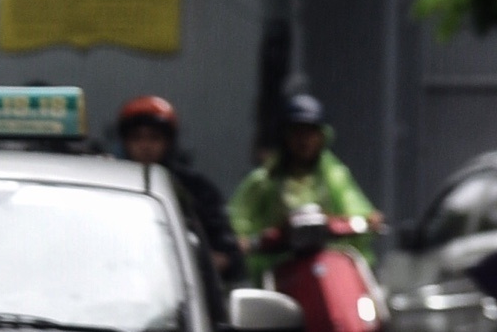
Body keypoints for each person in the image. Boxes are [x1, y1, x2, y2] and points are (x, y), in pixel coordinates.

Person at [230, 94, 379, 280]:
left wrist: (367, 219)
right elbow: (239, 221)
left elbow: (355, 207)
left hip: (331, 271)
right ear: (284, 136)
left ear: (322, 136)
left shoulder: (335, 176)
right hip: (282, 273)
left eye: (311, 132)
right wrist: (243, 240)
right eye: (297, 132)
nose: (304, 140)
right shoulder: (264, 181)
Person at [116, 95, 246, 282]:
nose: (145, 146)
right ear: (125, 142)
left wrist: (204, 262)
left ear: (168, 142)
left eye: (154, 138)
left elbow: (228, 253)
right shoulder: (113, 185)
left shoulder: (196, 189)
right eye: (137, 138)